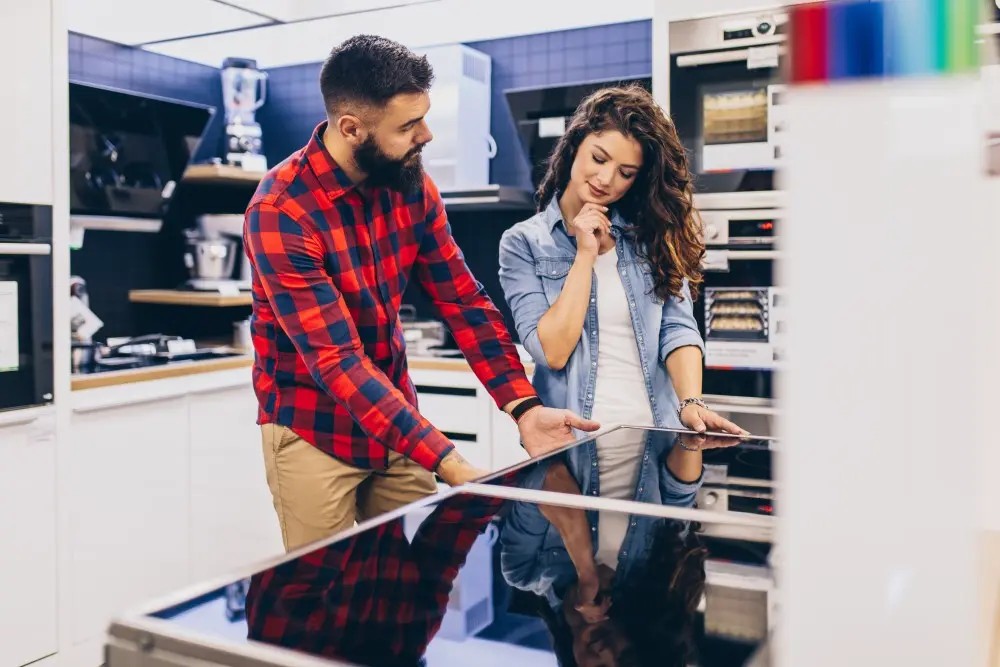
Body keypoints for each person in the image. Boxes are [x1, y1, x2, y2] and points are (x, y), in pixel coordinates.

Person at [243, 34, 598, 553]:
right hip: (313, 431)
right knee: (323, 607)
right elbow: (338, 362)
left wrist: (522, 405)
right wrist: (449, 461)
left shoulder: (411, 184)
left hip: (394, 426)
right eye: (408, 126)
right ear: (351, 128)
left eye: (424, 118)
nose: (426, 135)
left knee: (401, 596)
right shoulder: (281, 211)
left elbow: (463, 301)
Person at [497, 85, 747, 438]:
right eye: (599, 159)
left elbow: (676, 329)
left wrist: (692, 401)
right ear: (574, 147)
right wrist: (585, 255)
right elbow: (551, 351)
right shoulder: (523, 242)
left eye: (625, 173)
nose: (606, 180)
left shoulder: (650, 235)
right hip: (571, 441)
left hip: (656, 434)